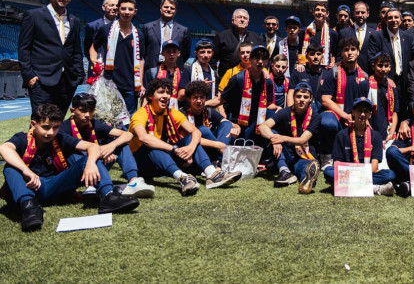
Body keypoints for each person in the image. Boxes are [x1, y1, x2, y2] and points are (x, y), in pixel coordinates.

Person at [0, 104, 139, 231]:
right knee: (10, 168)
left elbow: (92, 146)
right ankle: (29, 208)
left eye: (55, 127)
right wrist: (26, 170)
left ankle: (109, 197)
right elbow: (4, 148)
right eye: (46, 127)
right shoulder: (22, 138)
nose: (50, 133)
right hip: (29, 187)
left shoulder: (60, 138)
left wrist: (90, 163)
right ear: (33, 125)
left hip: (55, 186)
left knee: (89, 158)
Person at [129, 78, 241, 196]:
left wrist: (190, 148)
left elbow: (196, 132)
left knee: (191, 138)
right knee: (151, 145)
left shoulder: (172, 112)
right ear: (151, 96)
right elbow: (143, 138)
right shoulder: (140, 114)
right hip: (142, 162)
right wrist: (174, 149)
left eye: (168, 92)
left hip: (164, 159)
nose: (166, 96)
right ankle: (183, 178)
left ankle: (212, 174)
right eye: (161, 92)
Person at [59, 93, 155, 198]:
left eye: (91, 111)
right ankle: (105, 190)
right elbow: (83, 150)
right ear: (73, 111)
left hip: (95, 164)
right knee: (74, 154)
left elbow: (127, 134)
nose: (87, 115)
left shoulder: (94, 123)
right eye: (83, 111)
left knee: (121, 145)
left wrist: (111, 146)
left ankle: (133, 181)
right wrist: (102, 153)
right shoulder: (63, 128)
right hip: (76, 170)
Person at [18, 0, 85, 113]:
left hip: (67, 81)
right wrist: (29, 75)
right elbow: (23, 48)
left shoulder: (74, 21)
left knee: (58, 121)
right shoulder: (34, 15)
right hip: (41, 80)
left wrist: (79, 74)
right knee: (41, 122)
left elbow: (76, 50)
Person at [257, 82, 321, 194]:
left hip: (304, 155)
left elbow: (302, 140)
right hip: (285, 153)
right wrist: (274, 139)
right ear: (293, 97)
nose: (302, 99)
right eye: (299, 96)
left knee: (304, 168)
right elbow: (262, 127)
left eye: (305, 97)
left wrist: (282, 138)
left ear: (311, 99)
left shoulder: (316, 116)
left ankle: (306, 181)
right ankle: (285, 171)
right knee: (271, 132)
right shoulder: (284, 112)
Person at [323, 97, 396, 196]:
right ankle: (375, 188)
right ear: (353, 112)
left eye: (366, 111)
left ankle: (344, 185)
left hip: (367, 174)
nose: (362, 114)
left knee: (390, 174)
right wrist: (354, 174)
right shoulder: (342, 135)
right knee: (328, 171)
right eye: (359, 111)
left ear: (370, 114)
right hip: (347, 173)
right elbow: (337, 164)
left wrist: (360, 175)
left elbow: (374, 166)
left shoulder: (376, 136)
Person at [318, 38, 371, 168]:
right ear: (341, 53)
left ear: (358, 52)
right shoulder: (333, 72)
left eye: (353, 49)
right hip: (335, 114)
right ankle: (326, 156)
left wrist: (356, 118)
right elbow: (325, 99)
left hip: (354, 116)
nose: (350, 53)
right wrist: (344, 115)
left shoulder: (364, 76)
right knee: (327, 123)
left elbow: (363, 105)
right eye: (346, 50)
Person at [90, 0, 144, 115]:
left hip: (130, 85)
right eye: (123, 8)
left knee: (128, 119)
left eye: (130, 9)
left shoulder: (139, 35)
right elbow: (94, 47)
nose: (126, 12)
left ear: (135, 12)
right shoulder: (106, 29)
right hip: (110, 82)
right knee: (108, 116)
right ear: (118, 9)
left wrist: (140, 82)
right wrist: (95, 62)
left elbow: (140, 60)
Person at [219, 45, 274, 144]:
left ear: (267, 62)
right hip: (237, 123)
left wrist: (279, 109)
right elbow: (221, 100)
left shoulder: (268, 82)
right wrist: (205, 104)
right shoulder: (237, 78)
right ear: (251, 59)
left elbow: (269, 104)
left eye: (263, 59)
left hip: (256, 123)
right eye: (257, 58)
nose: (260, 61)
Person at [367, 7, 414, 107]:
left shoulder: (408, 37)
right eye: (390, 18)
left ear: (400, 19)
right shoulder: (377, 37)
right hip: (384, 82)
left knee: (402, 112)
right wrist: (385, 77)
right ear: (385, 20)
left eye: (396, 17)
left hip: (404, 83)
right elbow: (372, 59)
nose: (394, 20)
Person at [181, 81, 238, 163]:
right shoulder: (182, 113)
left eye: (202, 97)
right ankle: (223, 159)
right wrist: (218, 145)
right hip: (194, 147)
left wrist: (236, 128)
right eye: (195, 97)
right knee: (203, 130)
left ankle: (219, 160)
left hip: (212, 148)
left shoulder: (208, 111)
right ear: (188, 99)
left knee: (227, 124)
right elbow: (188, 138)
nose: (199, 101)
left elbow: (230, 124)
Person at [142, 0, 191, 70]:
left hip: (174, 71)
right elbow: (143, 51)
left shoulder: (184, 31)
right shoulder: (147, 27)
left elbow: (185, 54)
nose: (169, 10)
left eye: (172, 8)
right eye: (166, 7)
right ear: (160, 8)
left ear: (176, 11)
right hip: (152, 70)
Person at [213, 8, 261, 76]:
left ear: (248, 22)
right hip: (227, 78)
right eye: (239, 17)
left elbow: (259, 58)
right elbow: (212, 59)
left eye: (245, 18)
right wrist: (214, 75)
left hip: (249, 78)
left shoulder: (255, 38)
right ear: (233, 20)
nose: (242, 20)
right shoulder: (221, 36)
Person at [143, 40, 189, 109]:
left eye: (174, 51)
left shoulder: (184, 74)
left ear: (179, 53)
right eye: (168, 51)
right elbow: (146, 97)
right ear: (162, 53)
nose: (171, 54)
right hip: (155, 112)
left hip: (177, 112)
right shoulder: (152, 72)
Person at [338, 1, 378, 74]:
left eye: (363, 12)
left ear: (368, 14)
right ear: (353, 14)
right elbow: (339, 55)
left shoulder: (374, 33)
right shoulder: (344, 33)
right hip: (348, 73)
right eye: (357, 12)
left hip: (369, 73)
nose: (360, 15)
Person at [367, 52, 399, 140]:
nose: (383, 69)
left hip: (387, 132)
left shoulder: (392, 87)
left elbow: (395, 112)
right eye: (380, 65)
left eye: (386, 66)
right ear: (373, 66)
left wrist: (391, 133)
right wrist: (370, 131)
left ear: (390, 67)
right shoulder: (366, 84)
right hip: (369, 130)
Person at [84, 0, 118, 78]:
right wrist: (95, 61)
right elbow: (87, 48)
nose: (114, 8)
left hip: (117, 70)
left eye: (117, 6)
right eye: (111, 5)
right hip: (98, 68)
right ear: (104, 7)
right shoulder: (93, 26)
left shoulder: (123, 27)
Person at [298, 2, 338, 70]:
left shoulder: (333, 33)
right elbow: (299, 51)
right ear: (313, 12)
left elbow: (335, 53)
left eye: (323, 10)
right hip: (307, 69)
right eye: (317, 10)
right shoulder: (304, 31)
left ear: (327, 14)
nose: (320, 12)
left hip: (325, 70)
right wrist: (300, 63)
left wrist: (333, 62)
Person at [288, 42, 325, 107]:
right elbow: (291, 93)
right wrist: (291, 113)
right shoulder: (298, 72)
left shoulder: (327, 73)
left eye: (318, 54)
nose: (316, 57)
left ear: (322, 56)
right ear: (306, 56)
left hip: (321, 111)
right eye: (312, 54)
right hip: (301, 111)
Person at [187, 39, 218, 104]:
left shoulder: (214, 73)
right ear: (196, 53)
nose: (206, 55)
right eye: (202, 52)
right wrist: (198, 87)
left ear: (212, 53)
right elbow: (180, 96)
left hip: (209, 110)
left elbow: (216, 96)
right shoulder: (189, 70)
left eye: (209, 52)